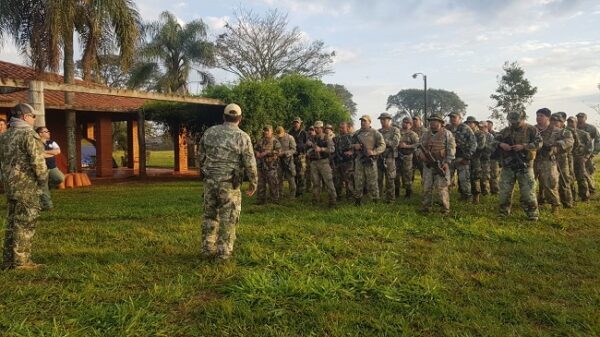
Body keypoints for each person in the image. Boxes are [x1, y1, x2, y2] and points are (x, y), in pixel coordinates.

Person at [199, 103, 258, 261]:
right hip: (229, 184)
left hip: (210, 181)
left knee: (209, 215)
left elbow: (201, 156)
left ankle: (206, 248)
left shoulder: (209, 132)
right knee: (229, 217)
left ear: (223, 117)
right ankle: (223, 253)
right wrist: (253, 182)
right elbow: (249, 162)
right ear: (240, 119)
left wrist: (206, 173)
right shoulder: (242, 136)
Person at [1, 103, 48, 270]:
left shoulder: (5, 135)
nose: (34, 120)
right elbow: (38, 162)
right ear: (24, 117)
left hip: (10, 185)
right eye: (33, 116)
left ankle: (8, 261)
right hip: (26, 185)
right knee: (25, 223)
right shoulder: (29, 135)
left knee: (12, 222)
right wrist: (43, 180)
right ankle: (21, 262)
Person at [495, 112, 542, 220]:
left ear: (523, 119)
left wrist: (524, 146)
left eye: (516, 121)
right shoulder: (505, 131)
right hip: (508, 166)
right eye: (511, 121)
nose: (513, 123)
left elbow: (539, 143)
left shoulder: (531, 129)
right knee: (504, 191)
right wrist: (501, 144)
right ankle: (503, 212)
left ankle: (532, 214)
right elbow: (493, 141)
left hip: (525, 166)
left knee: (528, 192)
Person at [416, 114, 456, 215]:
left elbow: (451, 149)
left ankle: (445, 209)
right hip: (428, 165)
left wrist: (447, 163)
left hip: (441, 164)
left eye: (435, 121)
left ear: (441, 123)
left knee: (442, 187)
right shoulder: (425, 134)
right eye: (431, 121)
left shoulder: (447, 134)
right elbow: (418, 147)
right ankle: (426, 207)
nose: (432, 123)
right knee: (426, 186)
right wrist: (420, 154)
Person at [352, 115, 386, 205]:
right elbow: (350, 144)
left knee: (372, 181)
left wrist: (373, 152)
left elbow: (383, 145)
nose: (362, 122)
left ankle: (375, 200)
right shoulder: (356, 133)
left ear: (369, 122)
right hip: (359, 160)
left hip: (370, 160)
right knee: (358, 180)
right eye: (361, 121)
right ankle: (358, 200)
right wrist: (355, 146)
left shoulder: (375, 133)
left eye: (365, 121)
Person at [534, 108, 562, 214]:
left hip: (548, 161)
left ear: (548, 118)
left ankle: (555, 206)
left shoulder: (556, 131)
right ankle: (532, 204)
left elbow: (569, 141)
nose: (538, 118)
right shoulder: (532, 129)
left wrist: (555, 148)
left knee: (550, 184)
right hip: (533, 160)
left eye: (541, 116)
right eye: (537, 116)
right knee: (530, 184)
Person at [446, 112, 476, 201]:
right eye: (451, 117)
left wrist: (467, 157)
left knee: (464, 179)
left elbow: (473, 144)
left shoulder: (466, 128)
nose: (452, 119)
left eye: (454, 117)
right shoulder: (447, 128)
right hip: (449, 158)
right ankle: (446, 196)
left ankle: (467, 197)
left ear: (460, 118)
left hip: (462, 158)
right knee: (447, 178)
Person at [306, 121, 337, 207]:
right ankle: (316, 200)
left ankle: (333, 201)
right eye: (315, 128)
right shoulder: (312, 138)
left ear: (322, 128)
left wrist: (322, 149)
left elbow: (332, 149)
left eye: (318, 128)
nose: (316, 129)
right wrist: (309, 147)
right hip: (314, 162)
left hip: (324, 162)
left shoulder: (326, 137)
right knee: (315, 182)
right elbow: (307, 149)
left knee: (328, 182)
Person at [36, 127, 65, 210]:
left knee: (60, 178)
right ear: (40, 134)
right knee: (43, 187)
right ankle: (47, 206)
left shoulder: (52, 142)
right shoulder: (36, 143)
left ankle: (44, 189)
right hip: (41, 168)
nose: (48, 132)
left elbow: (57, 151)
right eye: (46, 131)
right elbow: (40, 155)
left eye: (48, 131)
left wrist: (45, 152)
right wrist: (51, 153)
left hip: (52, 167)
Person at [550, 113, 574, 208]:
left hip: (562, 159)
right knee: (549, 181)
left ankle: (567, 202)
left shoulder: (566, 132)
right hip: (548, 159)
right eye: (552, 120)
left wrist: (556, 144)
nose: (554, 122)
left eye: (557, 121)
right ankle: (545, 200)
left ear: (562, 123)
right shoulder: (547, 131)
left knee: (564, 181)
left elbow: (569, 141)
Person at [568, 116, 594, 202]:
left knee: (581, 177)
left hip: (579, 158)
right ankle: (572, 197)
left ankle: (585, 197)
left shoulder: (584, 134)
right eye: (569, 122)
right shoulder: (564, 133)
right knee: (569, 178)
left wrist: (586, 158)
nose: (570, 124)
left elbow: (590, 147)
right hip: (568, 159)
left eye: (572, 122)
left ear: (576, 123)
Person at [377, 113, 401, 203]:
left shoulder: (395, 130)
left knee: (390, 179)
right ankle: (378, 197)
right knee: (378, 178)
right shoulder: (378, 131)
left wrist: (382, 142)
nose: (382, 121)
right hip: (379, 157)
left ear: (389, 120)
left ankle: (390, 199)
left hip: (390, 157)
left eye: (384, 119)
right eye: (381, 119)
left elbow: (395, 143)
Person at [254, 125, 281, 205]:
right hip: (261, 165)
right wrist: (257, 153)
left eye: (267, 131)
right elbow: (255, 148)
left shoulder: (275, 141)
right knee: (261, 184)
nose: (265, 132)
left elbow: (278, 151)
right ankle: (260, 200)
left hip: (271, 166)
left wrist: (267, 153)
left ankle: (274, 200)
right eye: (264, 130)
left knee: (273, 184)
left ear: (271, 131)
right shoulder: (260, 141)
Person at [576, 112, 599, 194]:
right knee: (580, 172)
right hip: (576, 154)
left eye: (581, 117)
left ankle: (591, 189)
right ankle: (583, 190)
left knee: (588, 171)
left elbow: (597, 140)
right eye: (578, 117)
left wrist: (594, 152)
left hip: (588, 154)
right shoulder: (574, 127)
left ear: (585, 118)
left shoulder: (591, 128)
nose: (579, 118)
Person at [397, 117, 419, 198]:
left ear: (410, 124)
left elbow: (418, 144)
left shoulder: (412, 134)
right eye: (404, 122)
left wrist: (407, 146)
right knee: (396, 174)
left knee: (407, 174)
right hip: (397, 156)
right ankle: (396, 192)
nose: (405, 124)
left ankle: (408, 193)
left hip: (407, 157)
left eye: (407, 123)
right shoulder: (398, 132)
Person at [465, 116, 486, 204]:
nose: (469, 124)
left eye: (471, 123)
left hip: (476, 159)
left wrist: (469, 150)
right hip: (466, 158)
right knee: (465, 177)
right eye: (467, 123)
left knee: (475, 177)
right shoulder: (465, 134)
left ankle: (476, 197)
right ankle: (465, 195)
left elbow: (480, 147)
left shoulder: (480, 134)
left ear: (475, 124)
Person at [333, 121, 354, 200]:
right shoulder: (336, 138)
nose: (341, 129)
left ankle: (350, 196)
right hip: (338, 161)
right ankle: (339, 196)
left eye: (343, 128)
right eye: (340, 127)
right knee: (338, 179)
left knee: (348, 180)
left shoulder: (351, 137)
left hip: (348, 162)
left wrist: (351, 152)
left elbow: (355, 148)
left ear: (347, 128)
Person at [275, 126, 297, 198]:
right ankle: (280, 194)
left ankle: (292, 195)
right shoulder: (275, 138)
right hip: (279, 161)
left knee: (290, 178)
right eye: (278, 134)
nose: (279, 136)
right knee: (279, 178)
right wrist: (276, 153)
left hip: (288, 161)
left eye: (280, 134)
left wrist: (285, 153)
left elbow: (293, 150)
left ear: (284, 132)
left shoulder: (290, 138)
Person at [289, 117, 308, 197]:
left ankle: (300, 192)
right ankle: (295, 190)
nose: (296, 124)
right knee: (294, 173)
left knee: (301, 174)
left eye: (297, 122)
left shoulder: (303, 133)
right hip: (292, 156)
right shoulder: (290, 132)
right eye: (295, 122)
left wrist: (300, 147)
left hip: (300, 156)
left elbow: (307, 144)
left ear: (300, 123)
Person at [411, 116, 428, 183]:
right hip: (411, 153)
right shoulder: (410, 130)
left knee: (422, 170)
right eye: (413, 120)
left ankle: (424, 185)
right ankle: (409, 186)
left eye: (416, 119)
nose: (414, 121)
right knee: (410, 170)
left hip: (421, 153)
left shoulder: (425, 130)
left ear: (420, 120)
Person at [487, 120, 500, 194]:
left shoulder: (495, 134)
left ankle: (495, 191)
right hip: (486, 158)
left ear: (491, 125)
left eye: (488, 125)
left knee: (494, 175)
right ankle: (487, 191)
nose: (487, 126)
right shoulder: (483, 134)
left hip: (494, 158)